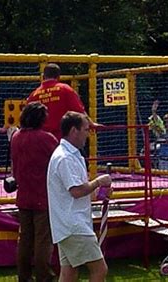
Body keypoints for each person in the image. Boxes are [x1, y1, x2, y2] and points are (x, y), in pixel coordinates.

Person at [47, 111, 112, 282]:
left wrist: (100, 192)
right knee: (100, 270)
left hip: (67, 224)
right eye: (85, 129)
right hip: (73, 225)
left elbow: (82, 192)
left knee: (68, 274)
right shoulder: (65, 157)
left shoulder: (71, 155)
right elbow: (75, 191)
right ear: (74, 130)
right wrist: (98, 182)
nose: (88, 133)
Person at [11, 102, 58, 282]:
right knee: (43, 239)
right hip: (43, 195)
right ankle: (43, 275)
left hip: (24, 195)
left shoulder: (16, 136)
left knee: (25, 239)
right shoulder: (46, 138)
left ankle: (24, 276)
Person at [27, 63, 99, 139]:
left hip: (40, 140)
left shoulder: (34, 94)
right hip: (61, 138)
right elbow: (79, 111)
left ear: (43, 76)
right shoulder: (65, 89)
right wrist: (91, 124)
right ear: (58, 77)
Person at [148, 100, 168, 170]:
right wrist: (153, 112)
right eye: (167, 122)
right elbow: (157, 122)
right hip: (164, 161)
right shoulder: (161, 133)